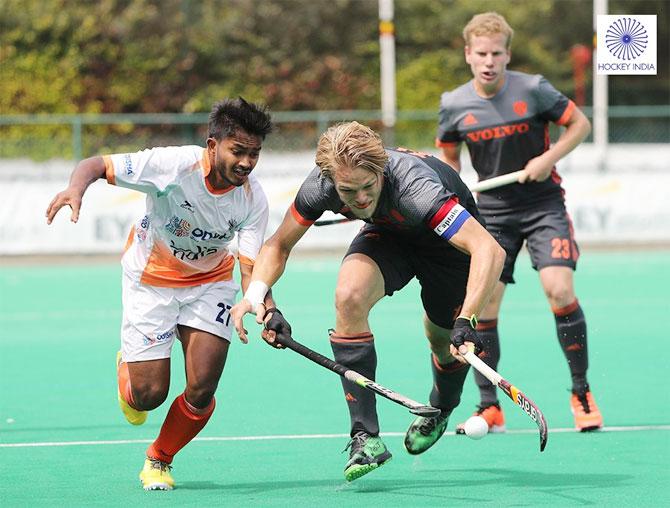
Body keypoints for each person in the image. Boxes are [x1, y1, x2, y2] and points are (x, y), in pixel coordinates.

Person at [231, 121, 506, 481]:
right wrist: (258, 298)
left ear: (381, 171)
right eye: (348, 191)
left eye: (367, 187)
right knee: (349, 296)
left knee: (442, 341)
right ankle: (366, 436)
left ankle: (441, 407)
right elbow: (278, 245)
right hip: (389, 233)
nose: (360, 199)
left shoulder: (415, 188)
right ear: (331, 182)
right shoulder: (321, 186)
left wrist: (467, 320)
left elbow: (488, 248)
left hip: (446, 250)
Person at [45, 98, 275, 490]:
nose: (247, 163)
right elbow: (97, 165)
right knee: (147, 397)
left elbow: (252, 268)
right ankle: (129, 371)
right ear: (213, 145)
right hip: (151, 280)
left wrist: (263, 305)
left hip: (210, 284)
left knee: (202, 387)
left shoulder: (253, 198)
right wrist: (74, 188)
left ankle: (159, 459)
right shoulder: (173, 165)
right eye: (239, 151)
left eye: (254, 154)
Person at [436, 12, 602, 434]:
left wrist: (548, 159)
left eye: (497, 53)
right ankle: (490, 405)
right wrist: (452, 196)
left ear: (507, 54)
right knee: (485, 304)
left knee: (559, 289)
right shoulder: (454, 104)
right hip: (491, 213)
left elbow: (580, 124)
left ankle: (580, 391)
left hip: (543, 204)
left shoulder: (534, 89)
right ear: (468, 55)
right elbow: (448, 159)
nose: (489, 61)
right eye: (481, 54)